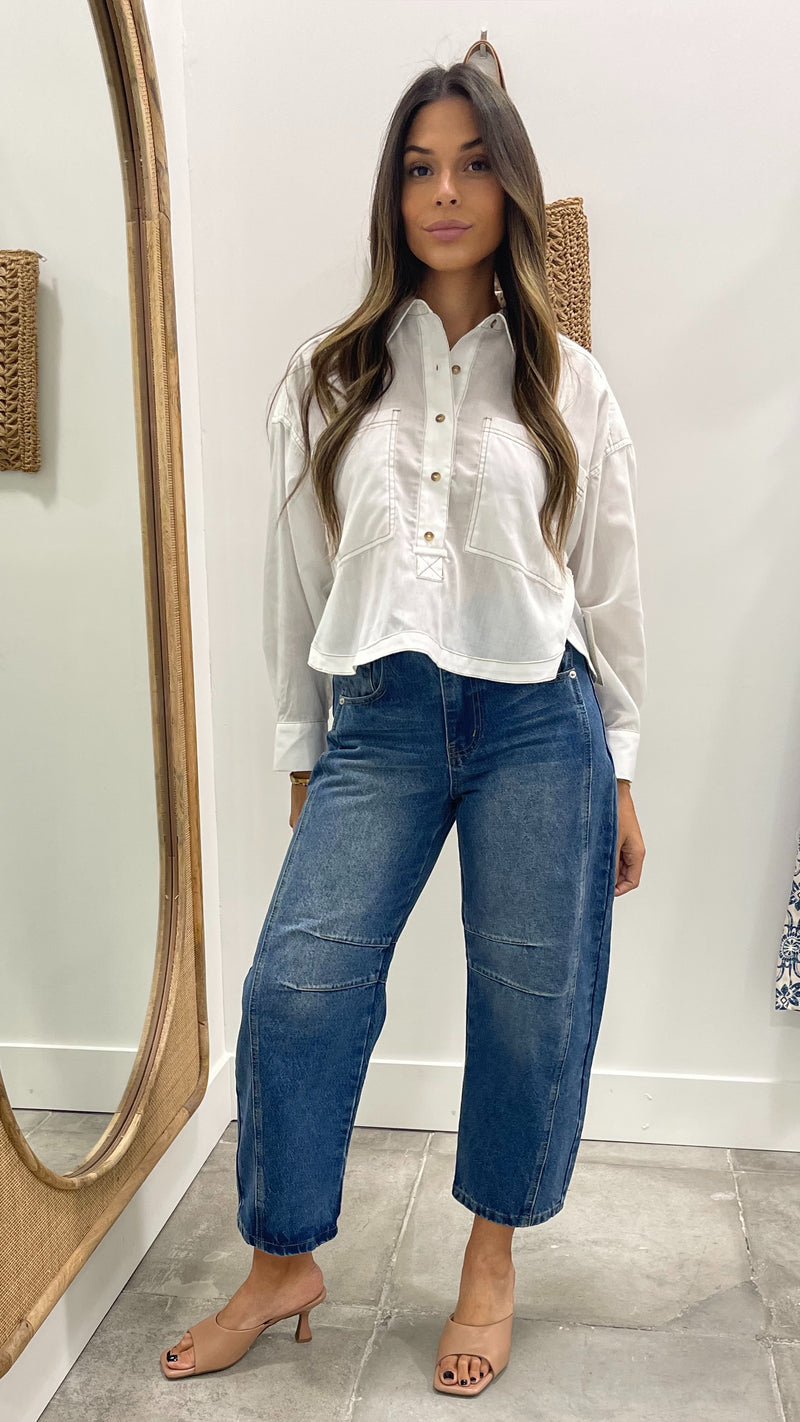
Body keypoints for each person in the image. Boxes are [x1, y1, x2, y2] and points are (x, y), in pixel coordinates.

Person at [161, 60, 646, 1398]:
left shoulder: (571, 385)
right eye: (420, 166)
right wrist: (302, 749)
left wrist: (618, 764)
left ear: (511, 184)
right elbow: (294, 586)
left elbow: (606, 581)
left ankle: (491, 1255)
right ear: (392, 192)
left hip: (537, 719)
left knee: (532, 999)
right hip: (375, 714)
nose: (445, 190)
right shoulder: (325, 382)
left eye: (474, 162)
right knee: (295, 986)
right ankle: (282, 1258)